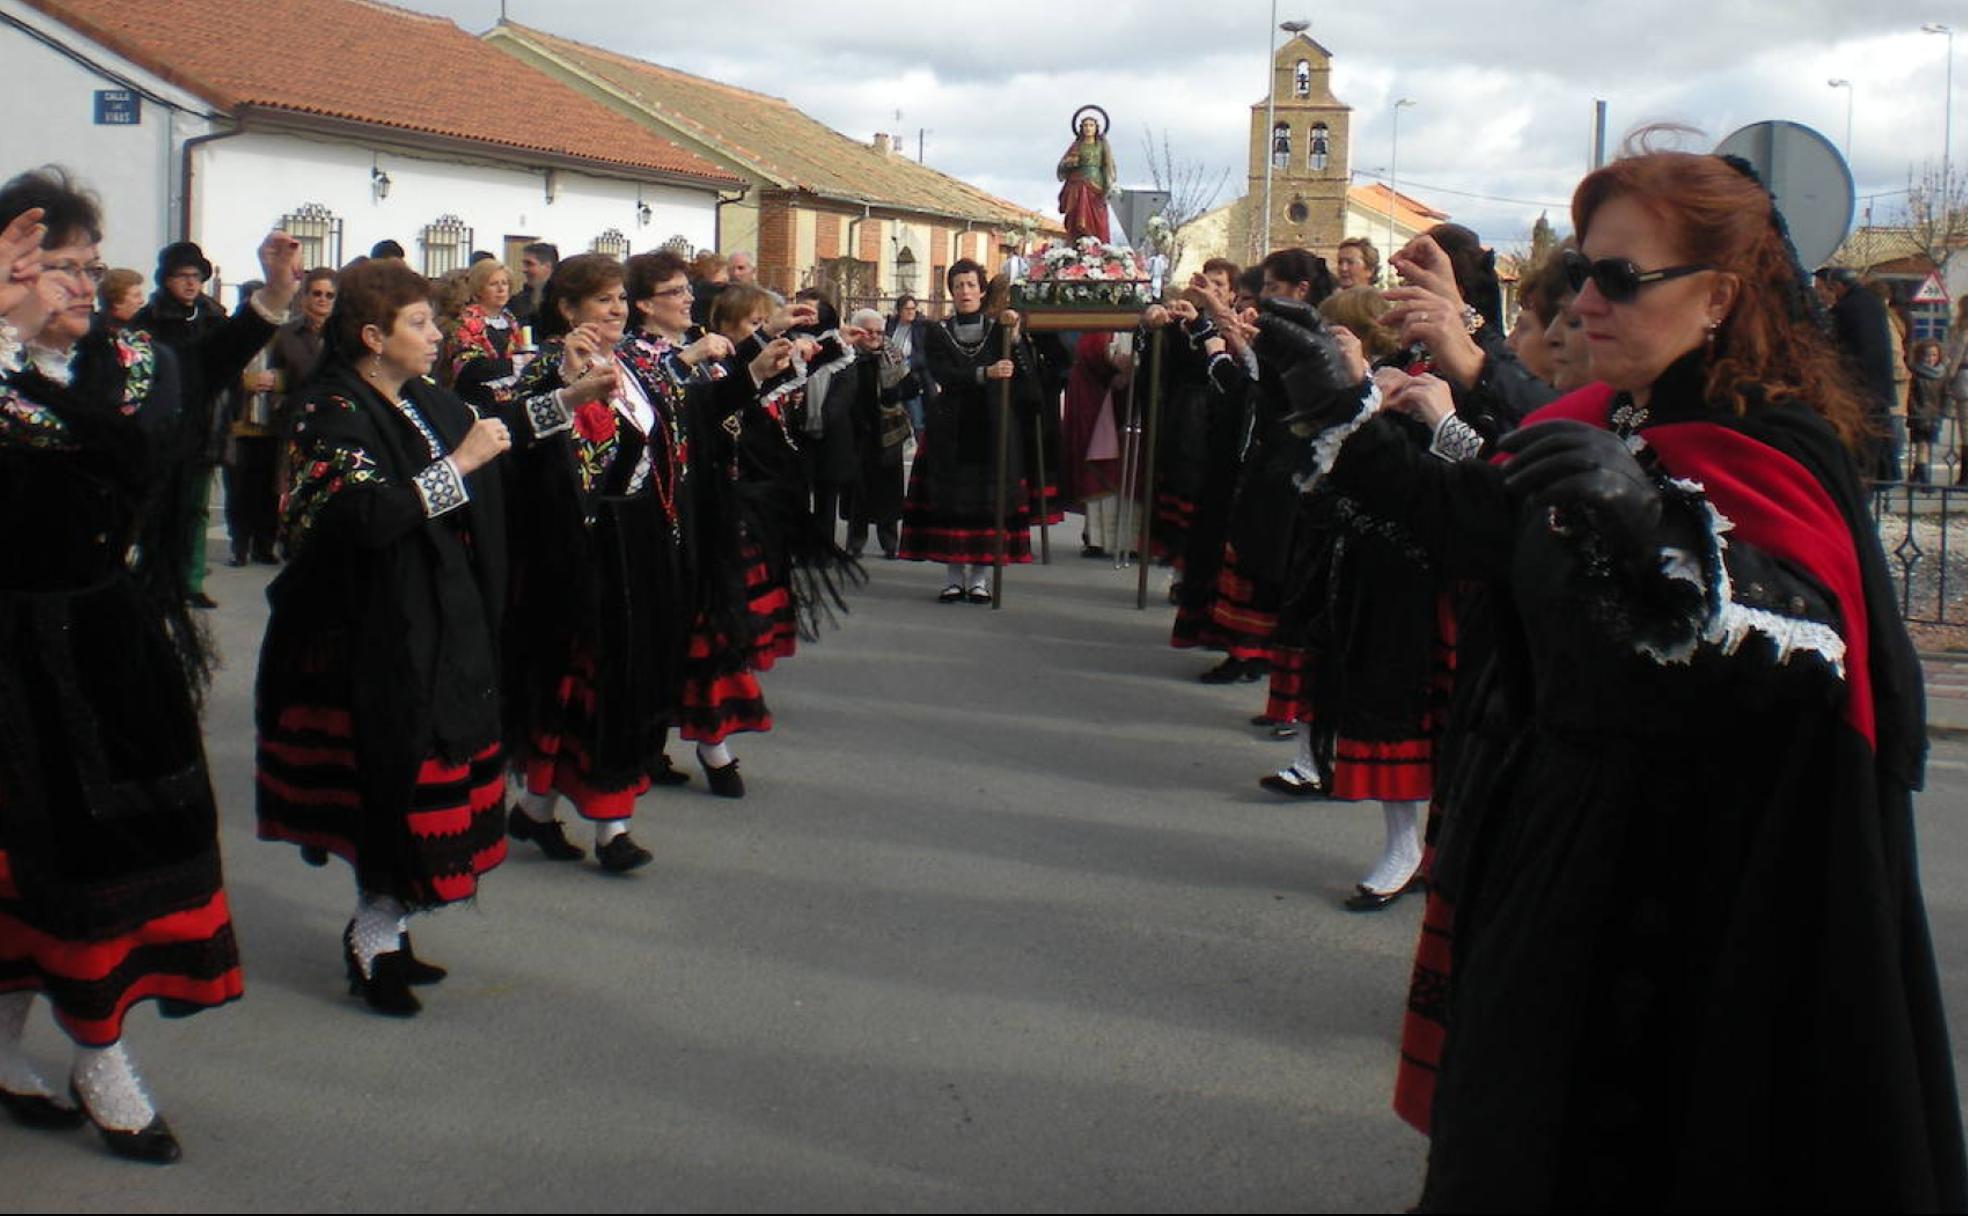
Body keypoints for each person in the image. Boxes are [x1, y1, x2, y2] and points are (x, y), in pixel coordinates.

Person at [1311, 147, 1966, 1209]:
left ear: (1717, 297)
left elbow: (1804, 643)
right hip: (1559, 839)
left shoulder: (1772, 445)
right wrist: (1326, 406)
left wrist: (1660, 536)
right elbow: (1472, 525)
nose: (1585, 301)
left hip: (1702, 882)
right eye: (1580, 271)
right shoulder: (1597, 423)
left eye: (1623, 277)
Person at [0, 168, 296, 1163]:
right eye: (55, 267)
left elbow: (148, 437)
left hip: (104, 643)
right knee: (17, 857)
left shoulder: (127, 363)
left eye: (89, 264)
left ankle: (99, 1050)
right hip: (6, 648)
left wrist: (263, 308)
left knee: (110, 851)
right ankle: (11, 1041)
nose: (82, 284)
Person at [255, 257, 523, 1017]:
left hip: (430, 621)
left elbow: (489, 436)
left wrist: (570, 398)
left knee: (426, 780)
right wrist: (458, 468)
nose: (437, 336)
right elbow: (360, 519)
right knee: (393, 783)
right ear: (373, 336)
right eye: (420, 324)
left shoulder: (419, 399)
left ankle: (387, 930)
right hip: (366, 634)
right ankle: (372, 939)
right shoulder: (328, 408)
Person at [899, 258, 1037, 604]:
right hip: (952, 426)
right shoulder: (937, 331)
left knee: (985, 505)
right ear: (952, 291)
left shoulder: (998, 328)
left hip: (992, 425)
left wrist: (1016, 338)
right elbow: (943, 372)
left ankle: (979, 579)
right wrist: (984, 373)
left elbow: (1025, 373)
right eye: (959, 286)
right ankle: (953, 578)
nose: (965, 292)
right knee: (952, 503)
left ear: (981, 289)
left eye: (971, 285)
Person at [133, 240, 232, 610]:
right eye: (182, 276)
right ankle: (157, 575)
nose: (191, 284)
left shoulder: (214, 318)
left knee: (196, 508)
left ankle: (190, 580)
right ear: (166, 280)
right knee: (159, 505)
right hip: (164, 429)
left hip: (205, 426)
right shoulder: (148, 321)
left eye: (196, 276)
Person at [1815, 265, 1897, 480]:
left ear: (1840, 286)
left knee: (1860, 442)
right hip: (1880, 386)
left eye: (1830, 288)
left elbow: (1834, 344)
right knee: (1876, 439)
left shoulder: (1845, 309)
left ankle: (1862, 481)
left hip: (1858, 387)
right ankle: (1877, 477)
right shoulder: (1873, 303)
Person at [221, 279, 281, 566]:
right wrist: (245, 381)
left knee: (267, 489)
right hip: (238, 425)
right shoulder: (231, 335)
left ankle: (264, 544)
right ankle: (240, 545)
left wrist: (276, 380)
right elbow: (219, 372)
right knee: (238, 491)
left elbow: (293, 371)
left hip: (271, 424)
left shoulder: (280, 335)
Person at [442, 257, 522, 410]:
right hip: (476, 402)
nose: (501, 289)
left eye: (504, 283)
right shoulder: (465, 322)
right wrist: (516, 364)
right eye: (493, 284)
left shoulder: (511, 321)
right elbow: (469, 368)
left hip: (512, 400)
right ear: (479, 289)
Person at [1056, 110, 1115, 244]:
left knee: (1097, 218)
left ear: (1096, 128)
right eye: (1085, 125)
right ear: (1081, 128)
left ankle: (1097, 246)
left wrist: (1108, 184)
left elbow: (1108, 166)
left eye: (1091, 125)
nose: (1088, 128)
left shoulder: (1101, 146)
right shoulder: (1076, 146)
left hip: (1096, 187)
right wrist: (1069, 164)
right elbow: (1063, 166)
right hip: (1076, 185)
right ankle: (1076, 244)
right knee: (1075, 216)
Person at [885, 294, 932, 438]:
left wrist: (908, 361)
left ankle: (921, 450)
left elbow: (925, 354)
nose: (911, 312)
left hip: (912, 378)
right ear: (900, 310)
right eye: (907, 309)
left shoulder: (920, 327)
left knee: (917, 419)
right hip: (892, 377)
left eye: (913, 308)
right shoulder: (892, 325)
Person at [1910, 338, 1947, 484]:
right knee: (1922, 444)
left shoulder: (1941, 374)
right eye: (1927, 355)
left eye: (1934, 355)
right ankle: (1923, 477)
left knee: (1927, 445)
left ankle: (1917, 473)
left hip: (1934, 414)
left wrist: (1944, 411)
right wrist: (1916, 411)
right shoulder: (1916, 373)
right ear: (1920, 356)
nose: (1930, 359)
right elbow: (1911, 396)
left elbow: (1946, 395)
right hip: (1919, 414)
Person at [509, 241, 557, 327]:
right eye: (524, 264)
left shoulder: (561, 301)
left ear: (547, 266)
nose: (524, 269)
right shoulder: (516, 302)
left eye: (529, 264)